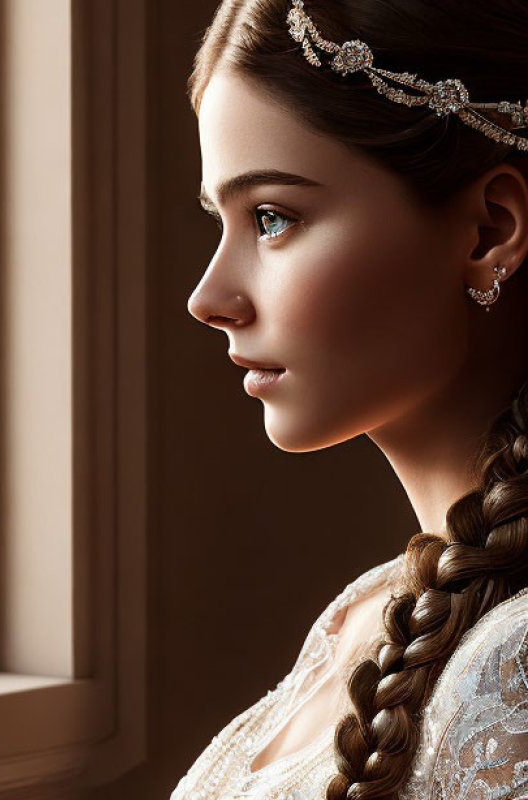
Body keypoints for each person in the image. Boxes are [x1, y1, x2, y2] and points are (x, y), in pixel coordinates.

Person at [172, 0, 528, 798]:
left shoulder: (513, 672)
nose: (208, 296)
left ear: (488, 230)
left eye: (271, 217)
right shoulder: (370, 613)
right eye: (220, 220)